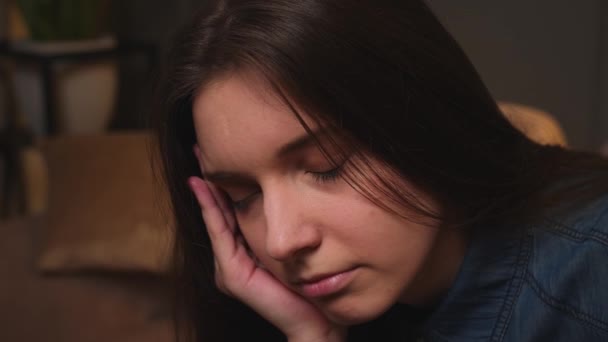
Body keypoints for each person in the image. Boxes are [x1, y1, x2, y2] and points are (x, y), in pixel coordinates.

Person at [152, 0, 608, 341]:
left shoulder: (590, 270)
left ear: (423, 116)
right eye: (242, 198)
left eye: (326, 167)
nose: (281, 241)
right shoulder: (306, 311)